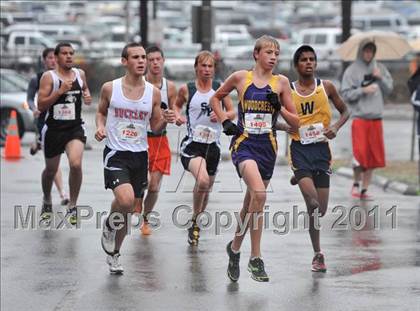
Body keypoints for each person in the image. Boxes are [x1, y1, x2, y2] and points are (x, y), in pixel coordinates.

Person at [210, 35, 299, 282]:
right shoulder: (240, 78)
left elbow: (296, 123)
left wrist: (279, 107)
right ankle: (255, 258)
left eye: (277, 54)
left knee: (251, 204)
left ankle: (235, 248)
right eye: (269, 52)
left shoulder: (281, 83)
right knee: (259, 195)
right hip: (244, 145)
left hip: (268, 149)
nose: (273, 57)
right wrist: (225, 121)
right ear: (256, 54)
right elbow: (215, 98)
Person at [96, 42, 175, 274]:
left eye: (143, 57)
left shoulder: (154, 93)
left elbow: (155, 125)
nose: (142, 61)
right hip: (115, 153)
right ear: (124, 61)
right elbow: (100, 112)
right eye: (136, 57)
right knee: (126, 200)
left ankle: (114, 253)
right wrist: (100, 127)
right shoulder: (110, 88)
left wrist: (166, 119)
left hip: (140, 154)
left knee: (128, 209)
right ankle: (110, 225)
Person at [276, 45, 349, 272]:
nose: (309, 63)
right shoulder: (287, 90)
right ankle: (318, 254)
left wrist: (335, 127)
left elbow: (345, 111)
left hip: (321, 152)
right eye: (304, 59)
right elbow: (271, 117)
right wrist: (284, 127)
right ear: (296, 65)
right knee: (314, 205)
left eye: (312, 59)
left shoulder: (326, 87)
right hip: (299, 150)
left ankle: (300, 177)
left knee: (321, 210)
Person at [174, 50, 234, 246]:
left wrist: (224, 116)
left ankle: (196, 221)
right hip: (193, 145)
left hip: (213, 147)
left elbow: (232, 110)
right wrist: (177, 116)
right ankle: (195, 220)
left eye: (210, 66)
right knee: (202, 180)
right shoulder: (187, 89)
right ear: (196, 67)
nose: (207, 70)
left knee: (206, 188)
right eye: (203, 66)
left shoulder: (220, 88)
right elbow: (177, 106)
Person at [37, 42, 92, 224]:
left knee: (75, 164)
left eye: (71, 53)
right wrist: (59, 92)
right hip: (53, 129)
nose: (69, 56)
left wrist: (87, 95)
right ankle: (47, 199)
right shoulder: (49, 77)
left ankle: (73, 205)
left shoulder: (79, 74)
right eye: (65, 53)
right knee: (51, 170)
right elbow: (41, 105)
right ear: (57, 56)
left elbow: (85, 89)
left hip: (74, 128)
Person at [341, 40, 393, 200]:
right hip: (360, 118)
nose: (368, 54)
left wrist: (380, 78)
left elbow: (389, 89)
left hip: (376, 119)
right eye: (366, 51)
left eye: (371, 51)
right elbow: (346, 94)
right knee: (360, 154)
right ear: (361, 52)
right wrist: (363, 90)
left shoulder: (380, 68)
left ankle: (364, 189)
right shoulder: (351, 71)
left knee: (373, 156)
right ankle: (356, 185)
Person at [135, 45, 177, 236]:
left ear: (163, 61)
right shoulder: (139, 85)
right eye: (150, 60)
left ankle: (145, 217)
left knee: (154, 185)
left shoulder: (170, 88)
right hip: (139, 140)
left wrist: (175, 117)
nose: (154, 63)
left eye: (157, 59)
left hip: (160, 140)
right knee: (141, 182)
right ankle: (136, 204)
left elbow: (174, 111)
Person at [27, 47, 69, 207]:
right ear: (45, 60)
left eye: (55, 57)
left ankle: (36, 144)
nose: (53, 60)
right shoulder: (37, 78)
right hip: (44, 121)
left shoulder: (66, 76)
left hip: (63, 123)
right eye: (50, 58)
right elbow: (30, 99)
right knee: (54, 161)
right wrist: (34, 109)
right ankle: (61, 193)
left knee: (59, 159)